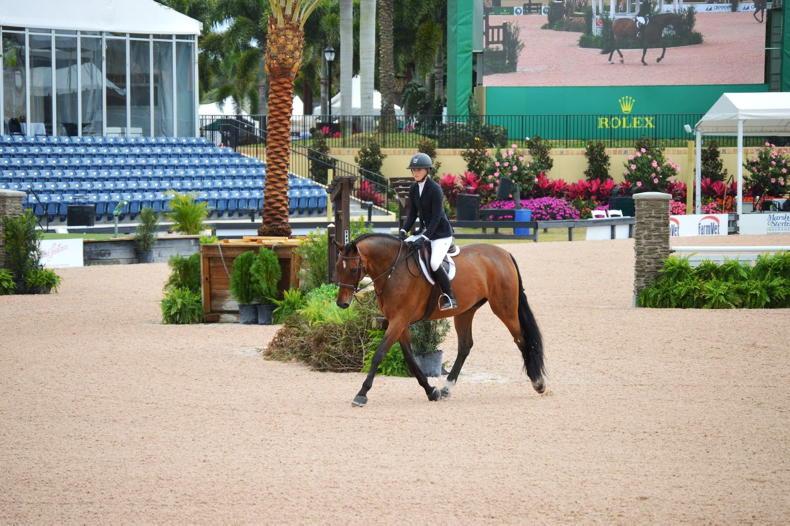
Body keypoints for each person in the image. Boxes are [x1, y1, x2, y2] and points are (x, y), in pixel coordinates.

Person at [400, 152, 458, 311]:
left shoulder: (435, 189)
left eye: (419, 169)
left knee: (434, 262)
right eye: (413, 169)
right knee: (403, 248)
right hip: (426, 232)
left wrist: (424, 237)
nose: (415, 172)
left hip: (441, 235)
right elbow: (412, 213)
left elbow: (437, 217)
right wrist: (404, 230)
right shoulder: (413, 188)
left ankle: (450, 297)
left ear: (427, 170)